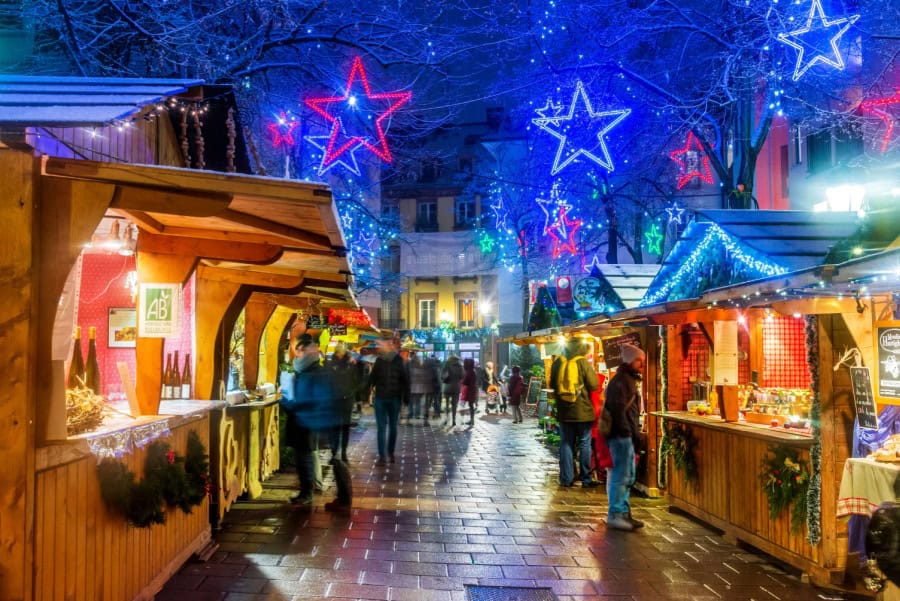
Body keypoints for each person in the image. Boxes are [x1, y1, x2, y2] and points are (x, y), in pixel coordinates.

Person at [289, 334, 352, 512]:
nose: (298, 354)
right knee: (310, 456)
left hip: (310, 420)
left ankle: (315, 494)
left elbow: (312, 398)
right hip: (313, 419)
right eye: (297, 350)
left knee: (309, 457)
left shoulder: (314, 372)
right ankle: (331, 495)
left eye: (301, 350)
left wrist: (288, 401)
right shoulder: (308, 370)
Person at [604, 343, 645, 531]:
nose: (642, 365)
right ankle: (617, 514)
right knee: (622, 475)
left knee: (625, 475)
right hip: (621, 435)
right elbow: (620, 410)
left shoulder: (623, 379)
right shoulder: (623, 381)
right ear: (631, 361)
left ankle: (623, 513)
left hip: (622, 434)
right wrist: (629, 433)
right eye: (640, 361)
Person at [549, 338, 601, 489]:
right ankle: (586, 478)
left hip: (564, 411)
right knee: (585, 444)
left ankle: (566, 478)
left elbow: (552, 384)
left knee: (566, 443)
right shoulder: (582, 362)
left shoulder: (558, 362)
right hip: (583, 411)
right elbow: (594, 385)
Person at [368, 337, 408, 465]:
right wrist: (405, 398)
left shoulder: (380, 361)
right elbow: (405, 380)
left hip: (383, 398)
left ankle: (383, 456)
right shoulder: (397, 361)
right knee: (391, 427)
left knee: (383, 428)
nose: (380, 346)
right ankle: (388, 454)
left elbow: (371, 379)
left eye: (382, 344)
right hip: (392, 398)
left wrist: (365, 393)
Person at [328, 343, 357, 463]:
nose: (339, 355)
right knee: (334, 427)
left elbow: (356, 380)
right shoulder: (330, 364)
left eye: (341, 353)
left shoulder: (350, 365)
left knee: (345, 427)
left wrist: (352, 391)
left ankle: (344, 452)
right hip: (334, 399)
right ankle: (334, 452)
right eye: (338, 353)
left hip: (347, 398)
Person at [406, 352, 433, 424]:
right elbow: (424, 378)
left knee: (410, 403)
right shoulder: (421, 368)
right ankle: (417, 414)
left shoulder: (410, 369)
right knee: (418, 402)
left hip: (411, 388)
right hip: (420, 388)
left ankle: (410, 415)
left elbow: (407, 378)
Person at [440, 354, 464, 426]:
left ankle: (447, 419)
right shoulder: (460, 366)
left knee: (446, 404)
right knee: (454, 405)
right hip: (456, 387)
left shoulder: (447, 364)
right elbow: (462, 376)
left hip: (447, 386)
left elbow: (442, 375)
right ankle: (453, 420)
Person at [461, 357, 479, 426]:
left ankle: (468, 420)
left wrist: (462, 381)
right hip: (472, 390)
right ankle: (471, 420)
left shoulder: (469, 372)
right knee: (470, 405)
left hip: (468, 390)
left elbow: (465, 381)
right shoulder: (473, 371)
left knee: (465, 405)